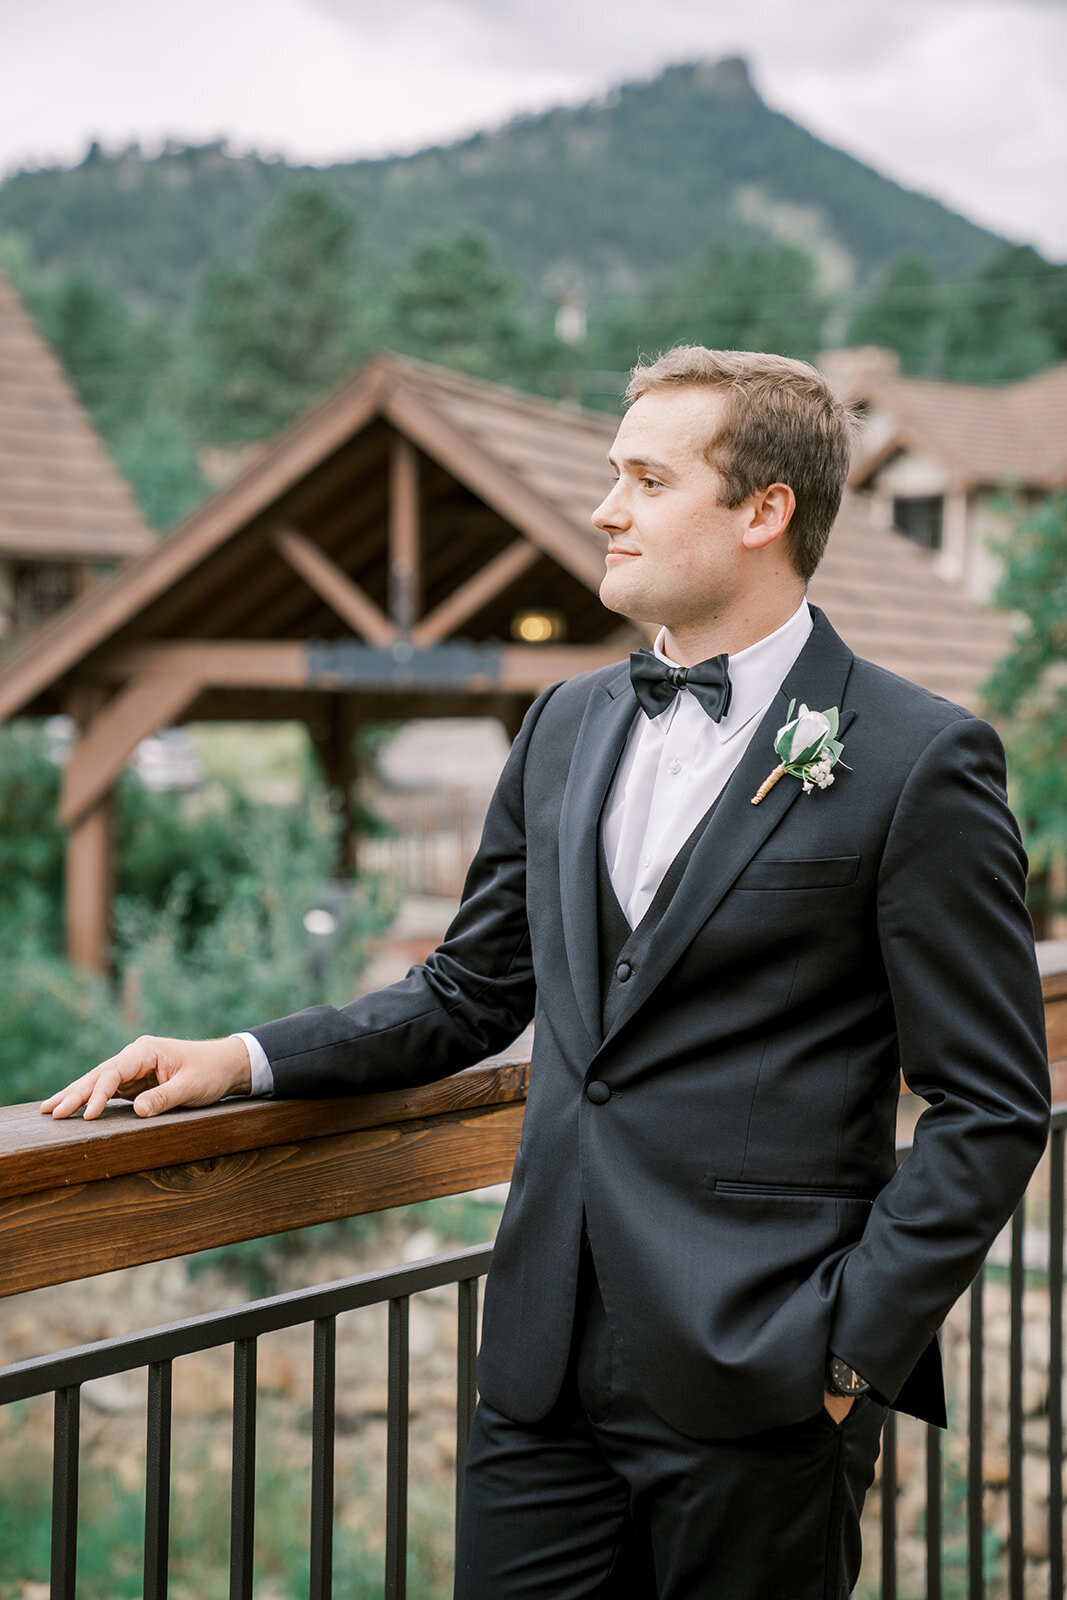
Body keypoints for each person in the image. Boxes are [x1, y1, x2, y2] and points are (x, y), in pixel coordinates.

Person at [44, 348, 1051, 1600]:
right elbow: (467, 991)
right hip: (535, 1367)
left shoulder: (916, 758)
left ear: (762, 511)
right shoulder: (565, 723)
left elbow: (991, 1103)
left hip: (763, 1374)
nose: (603, 509)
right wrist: (245, 1058)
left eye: (642, 477)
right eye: (606, 475)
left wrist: (847, 1349)